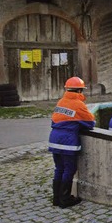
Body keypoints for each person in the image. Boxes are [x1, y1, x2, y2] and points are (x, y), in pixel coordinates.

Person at [48, 76, 95, 208]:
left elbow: (55, 120)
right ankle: (65, 199)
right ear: (80, 91)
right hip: (67, 142)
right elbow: (90, 123)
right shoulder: (79, 105)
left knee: (59, 168)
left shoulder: (61, 102)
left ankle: (56, 199)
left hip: (54, 139)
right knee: (70, 168)